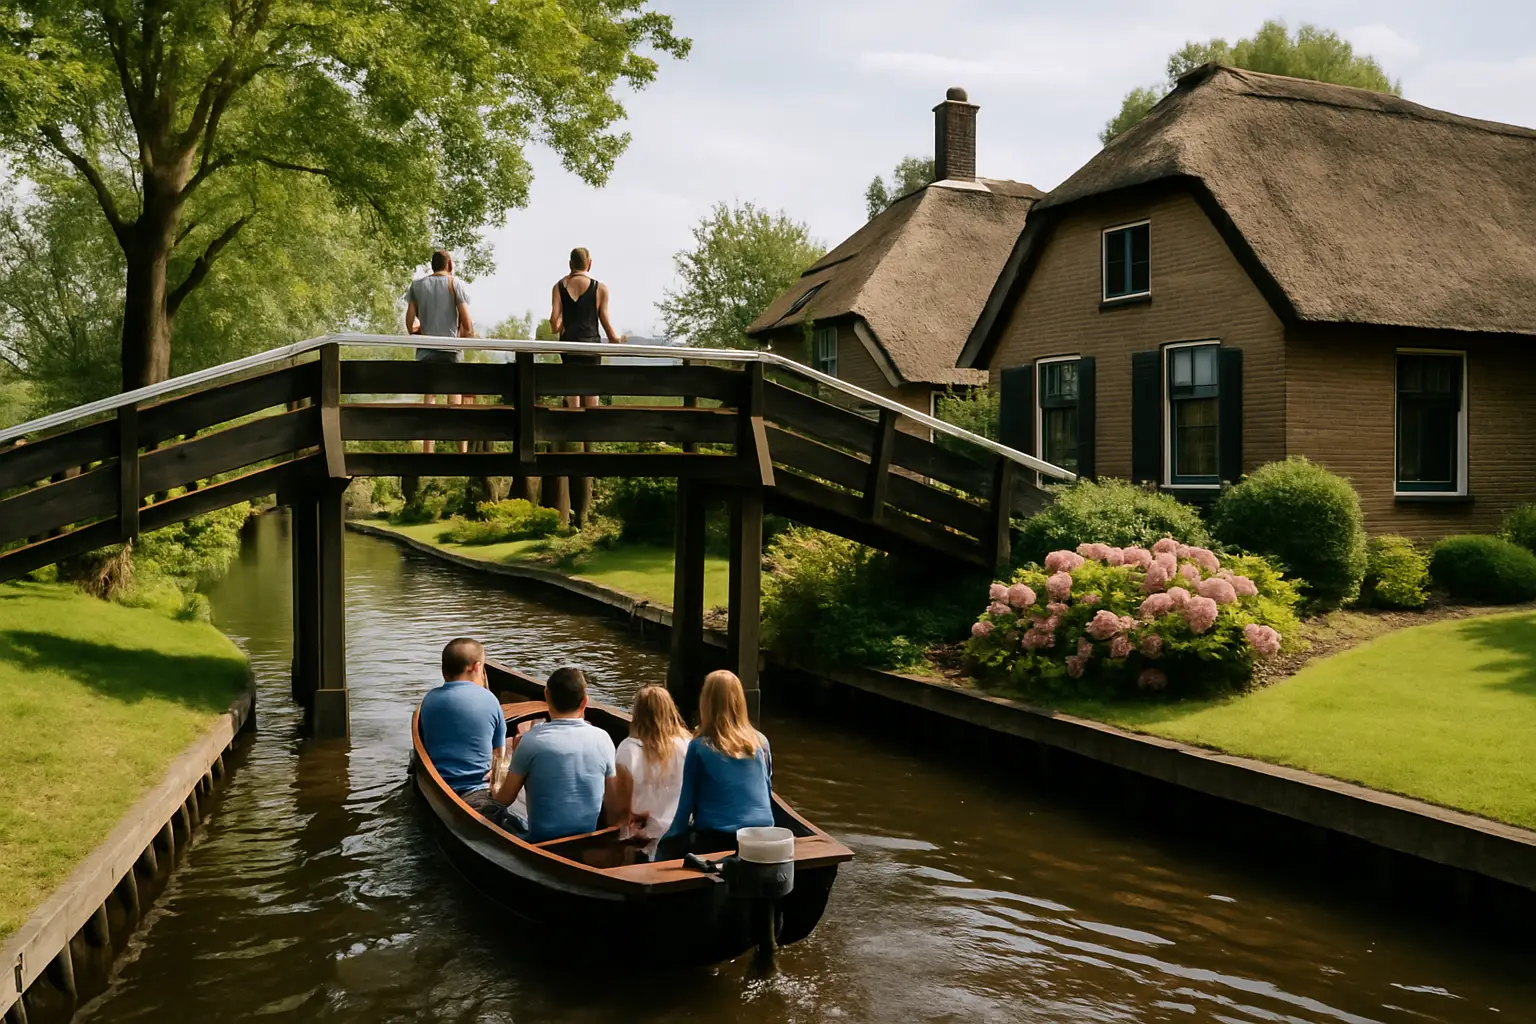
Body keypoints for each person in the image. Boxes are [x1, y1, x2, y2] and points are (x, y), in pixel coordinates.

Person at [493, 667, 618, 843]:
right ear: (584, 703)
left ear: (546, 696)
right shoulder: (603, 739)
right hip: (584, 840)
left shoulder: (531, 741)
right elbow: (613, 804)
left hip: (540, 840)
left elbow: (504, 799)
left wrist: (493, 792)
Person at [657, 671, 774, 859]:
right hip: (763, 834)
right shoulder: (761, 742)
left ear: (706, 702)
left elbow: (686, 805)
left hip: (718, 838)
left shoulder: (699, 746)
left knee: (667, 849)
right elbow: (766, 792)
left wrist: (666, 840)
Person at [547, 247, 624, 525]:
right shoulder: (600, 287)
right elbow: (605, 321)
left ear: (570, 263)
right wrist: (616, 341)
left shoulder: (559, 286)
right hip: (591, 349)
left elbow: (555, 324)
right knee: (591, 404)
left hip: (569, 350)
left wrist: (558, 321)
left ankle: (574, 454)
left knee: (572, 404)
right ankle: (590, 455)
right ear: (589, 263)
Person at [417, 638, 510, 825]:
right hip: (477, 790)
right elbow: (498, 755)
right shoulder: (490, 700)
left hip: (439, 785)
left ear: (444, 670)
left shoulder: (429, 700)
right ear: (476, 668)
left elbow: (425, 741)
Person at [404, 249, 474, 454]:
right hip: (451, 351)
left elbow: (409, 325)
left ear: (432, 265)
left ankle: (428, 453)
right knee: (455, 401)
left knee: (430, 400)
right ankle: (461, 452)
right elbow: (468, 325)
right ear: (450, 264)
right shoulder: (455, 284)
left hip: (426, 353)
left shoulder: (417, 286)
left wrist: (422, 330)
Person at [612, 686, 691, 859]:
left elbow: (621, 808)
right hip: (676, 833)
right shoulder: (687, 745)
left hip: (638, 837)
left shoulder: (628, 749)